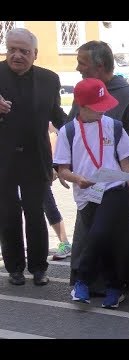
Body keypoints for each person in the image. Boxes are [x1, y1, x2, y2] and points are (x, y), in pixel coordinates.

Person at [66, 40, 129, 292]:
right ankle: (88, 282)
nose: (78, 67)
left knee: (111, 234)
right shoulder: (84, 92)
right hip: (88, 182)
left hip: (113, 182)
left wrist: (112, 155)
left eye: (83, 63)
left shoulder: (126, 96)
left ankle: (115, 283)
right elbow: (72, 130)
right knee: (90, 231)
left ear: (99, 66)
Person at [54, 78, 129, 308]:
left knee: (100, 233)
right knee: (105, 241)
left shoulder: (114, 126)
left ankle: (82, 279)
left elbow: (125, 162)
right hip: (86, 194)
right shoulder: (68, 132)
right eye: (98, 106)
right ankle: (114, 287)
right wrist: (77, 179)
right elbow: (62, 169)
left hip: (114, 189)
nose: (104, 110)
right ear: (82, 106)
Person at [0, 28, 66, 286]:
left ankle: (39, 267)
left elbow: (57, 115)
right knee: (7, 214)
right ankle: (14, 267)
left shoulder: (49, 79)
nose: (16, 55)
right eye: (12, 49)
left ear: (35, 54)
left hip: (36, 157)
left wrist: (78, 133)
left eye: (23, 51)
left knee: (36, 213)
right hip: (3, 158)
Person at [46, 122, 72, 260]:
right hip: (11, 163)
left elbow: (52, 132)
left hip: (37, 165)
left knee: (47, 203)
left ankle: (65, 243)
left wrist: (53, 164)